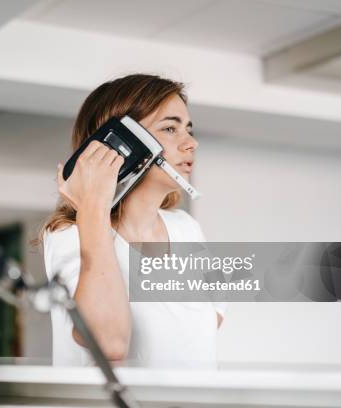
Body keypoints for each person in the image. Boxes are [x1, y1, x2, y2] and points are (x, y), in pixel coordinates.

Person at [39, 74, 225, 368]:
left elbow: (207, 325)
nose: (191, 143)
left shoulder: (186, 227)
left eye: (188, 129)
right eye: (170, 128)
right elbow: (110, 343)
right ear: (122, 143)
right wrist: (93, 211)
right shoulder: (69, 233)